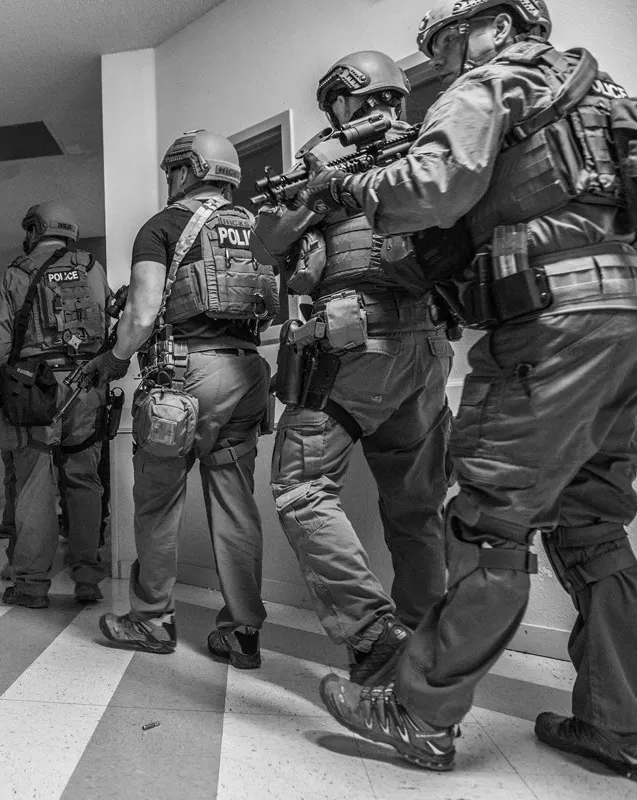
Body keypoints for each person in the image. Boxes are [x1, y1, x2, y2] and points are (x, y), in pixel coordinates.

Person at [311, 0, 637, 781]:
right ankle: (622, 726)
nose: (448, 61)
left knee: (489, 525)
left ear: (497, 26)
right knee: (593, 528)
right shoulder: (603, 93)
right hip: (624, 320)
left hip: (549, 327)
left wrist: (352, 188)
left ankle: (420, 715)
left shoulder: (497, 81)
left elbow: (431, 186)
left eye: (451, 43)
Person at [252, 51, 452, 686]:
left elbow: (269, 240)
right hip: (427, 349)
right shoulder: (432, 144)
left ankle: (373, 636)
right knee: (417, 507)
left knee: (300, 484)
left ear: (344, 98)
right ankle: (427, 649)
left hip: (355, 347)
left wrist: (318, 192)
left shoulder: (328, 155)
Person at [79, 130, 275, 668]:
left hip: (185, 379)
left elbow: (142, 314)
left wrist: (116, 358)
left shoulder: (163, 226)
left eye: (172, 171)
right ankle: (242, 631)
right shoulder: (259, 229)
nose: (169, 181)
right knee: (236, 505)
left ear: (188, 170)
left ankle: (151, 620)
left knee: (159, 502)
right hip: (248, 375)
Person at [0, 201, 111, 608]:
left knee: (35, 484)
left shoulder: (17, 272)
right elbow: (107, 324)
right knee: (84, 481)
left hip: (36, 388)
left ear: (35, 229)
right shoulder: (92, 269)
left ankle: (32, 585)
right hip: (87, 385)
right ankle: (88, 580)